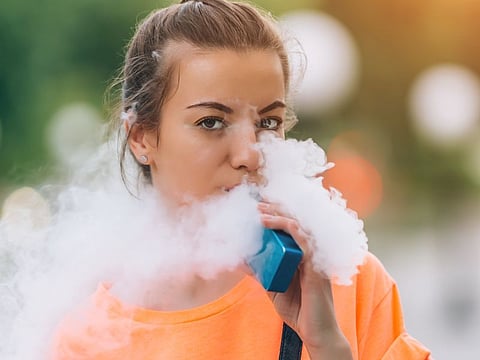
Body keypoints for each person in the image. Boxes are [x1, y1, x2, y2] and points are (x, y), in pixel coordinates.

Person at [51, 0, 431, 359]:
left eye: (268, 122)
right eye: (211, 122)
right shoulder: (91, 337)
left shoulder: (347, 281)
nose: (250, 153)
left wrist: (328, 345)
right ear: (141, 138)